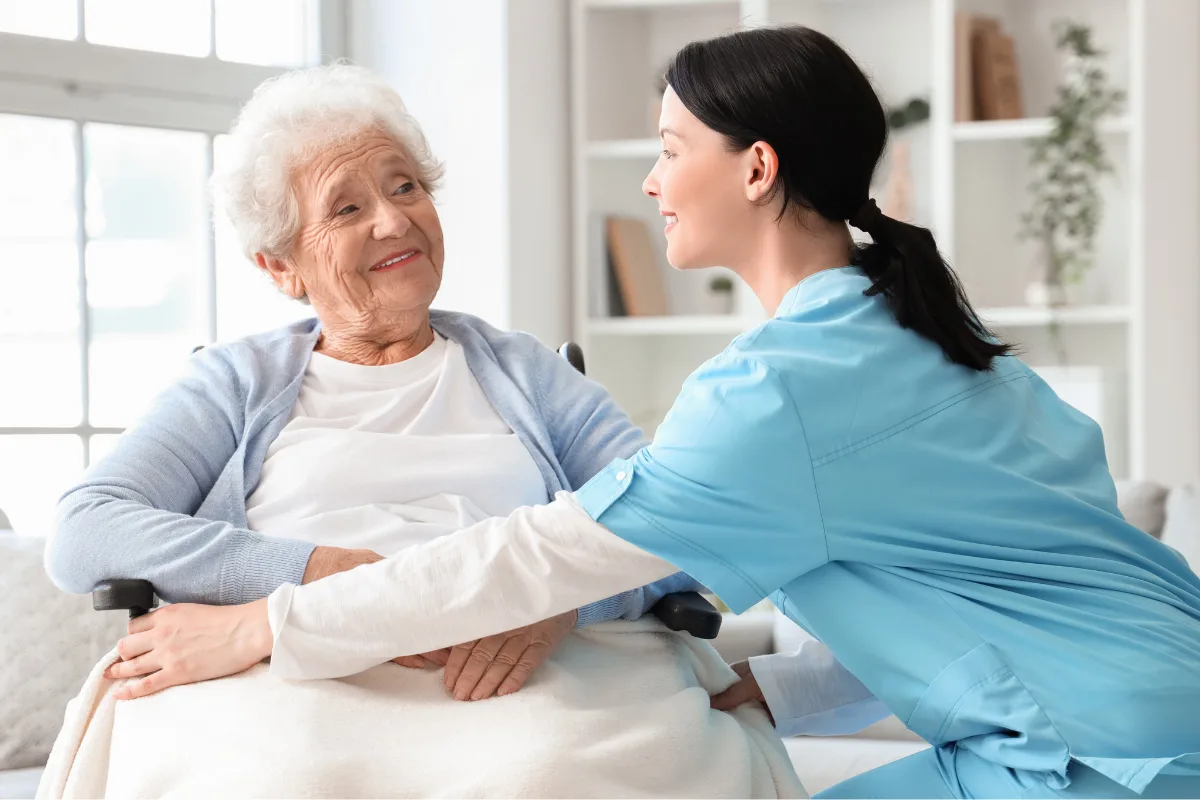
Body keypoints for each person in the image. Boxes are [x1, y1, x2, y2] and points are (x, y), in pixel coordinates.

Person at [84, 28, 1200, 800]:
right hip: (1119, 722)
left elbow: (554, 547)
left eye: (670, 150)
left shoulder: (780, 390)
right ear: (279, 263)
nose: (655, 183)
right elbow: (977, 590)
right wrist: (778, 681)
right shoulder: (918, 337)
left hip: (1103, 758)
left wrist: (266, 620)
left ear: (755, 167)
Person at [40, 64, 809, 798]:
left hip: (513, 668)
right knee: (282, 780)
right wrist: (322, 572)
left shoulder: (528, 373)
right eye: (347, 208)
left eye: (405, 186)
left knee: (546, 771)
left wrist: (562, 605)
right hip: (296, 669)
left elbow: (678, 525)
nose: (394, 218)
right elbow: (86, 530)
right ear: (280, 267)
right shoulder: (234, 383)